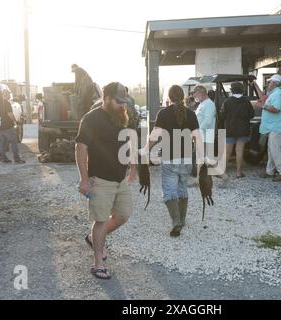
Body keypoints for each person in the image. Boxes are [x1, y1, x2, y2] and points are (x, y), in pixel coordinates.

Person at [75, 82, 137, 280]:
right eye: (119, 102)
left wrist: (133, 167)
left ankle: (94, 239)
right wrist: (83, 180)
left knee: (122, 215)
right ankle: (98, 263)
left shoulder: (121, 117)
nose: (123, 105)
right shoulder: (91, 119)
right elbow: (80, 148)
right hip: (100, 179)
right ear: (107, 98)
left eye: (124, 102)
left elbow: (128, 142)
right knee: (101, 220)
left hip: (120, 179)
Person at [144, 85, 204, 237]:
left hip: (169, 158)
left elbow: (155, 135)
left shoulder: (163, 113)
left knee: (170, 191)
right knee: (182, 188)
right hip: (186, 158)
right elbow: (197, 137)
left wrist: (145, 149)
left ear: (169, 98)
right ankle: (182, 220)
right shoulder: (191, 114)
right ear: (183, 97)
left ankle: (176, 221)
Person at [252, 74, 281, 182]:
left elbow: (276, 109)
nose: (268, 84)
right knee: (271, 150)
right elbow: (262, 97)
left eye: (269, 82)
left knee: (275, 150)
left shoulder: (278, 94)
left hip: (277, 127)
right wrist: (255, 85)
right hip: (273, 126)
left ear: (274, 83)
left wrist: (262, 106)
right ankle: (269, 171)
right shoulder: (273, 93)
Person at [219, 82, 255, 179]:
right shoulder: (246, 101)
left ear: (231, 90)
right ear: (242, 90)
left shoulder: (227, 101)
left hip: (230, 130)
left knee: (227, 152)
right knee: (239, 151)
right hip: (243, 130)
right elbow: (252, 114)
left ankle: (222, 172)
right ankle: (239, 173)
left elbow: (222, 115)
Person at [0, 89, 25, 164]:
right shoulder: (7, 103)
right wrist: (15, 121)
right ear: (5, 95)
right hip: (8, 126)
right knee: (14, 142)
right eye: (8, 94)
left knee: (3, 143)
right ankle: (17, 159)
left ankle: (4, 158)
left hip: (0, 126)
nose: (10, 95)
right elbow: (10, 114)